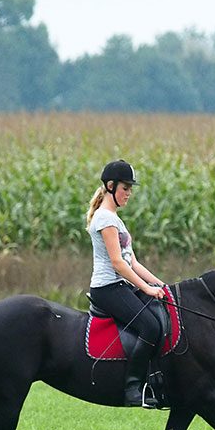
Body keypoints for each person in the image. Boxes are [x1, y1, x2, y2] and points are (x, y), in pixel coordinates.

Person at [86, 159, 165, 408]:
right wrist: (146, 288)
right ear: (110, 186)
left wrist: (161, 285)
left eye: (130, 189)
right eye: (125, 188)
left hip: (121, 286)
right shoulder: (105, 219)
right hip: (107, 288)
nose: (129, 193)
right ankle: (132, 388)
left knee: (159, 314)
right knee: (150, 327)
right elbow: (118, 264)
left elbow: (134, 263)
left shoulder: (115, 219)